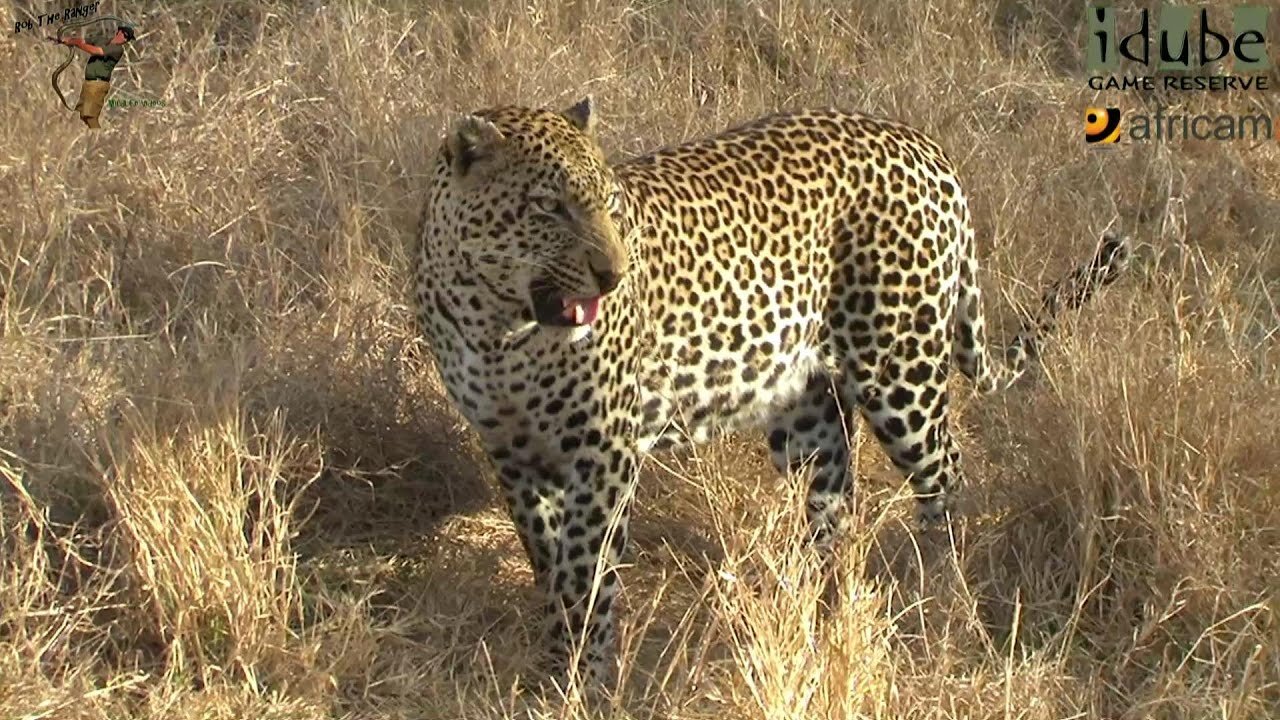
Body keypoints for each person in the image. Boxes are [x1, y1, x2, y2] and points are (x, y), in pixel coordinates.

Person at [54, 25, 135, 128]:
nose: (124, 39)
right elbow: (84, 40)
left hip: (98, 83)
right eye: (125, 35)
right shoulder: (102, 40)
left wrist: (77, 44)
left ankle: (95, 137)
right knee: (81, 114)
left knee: (89, 116)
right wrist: (67, 40)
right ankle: (89, 138)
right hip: (90, 82)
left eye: (127, 38)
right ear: (119, 32)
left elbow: (97, 51)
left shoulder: (117, 49)